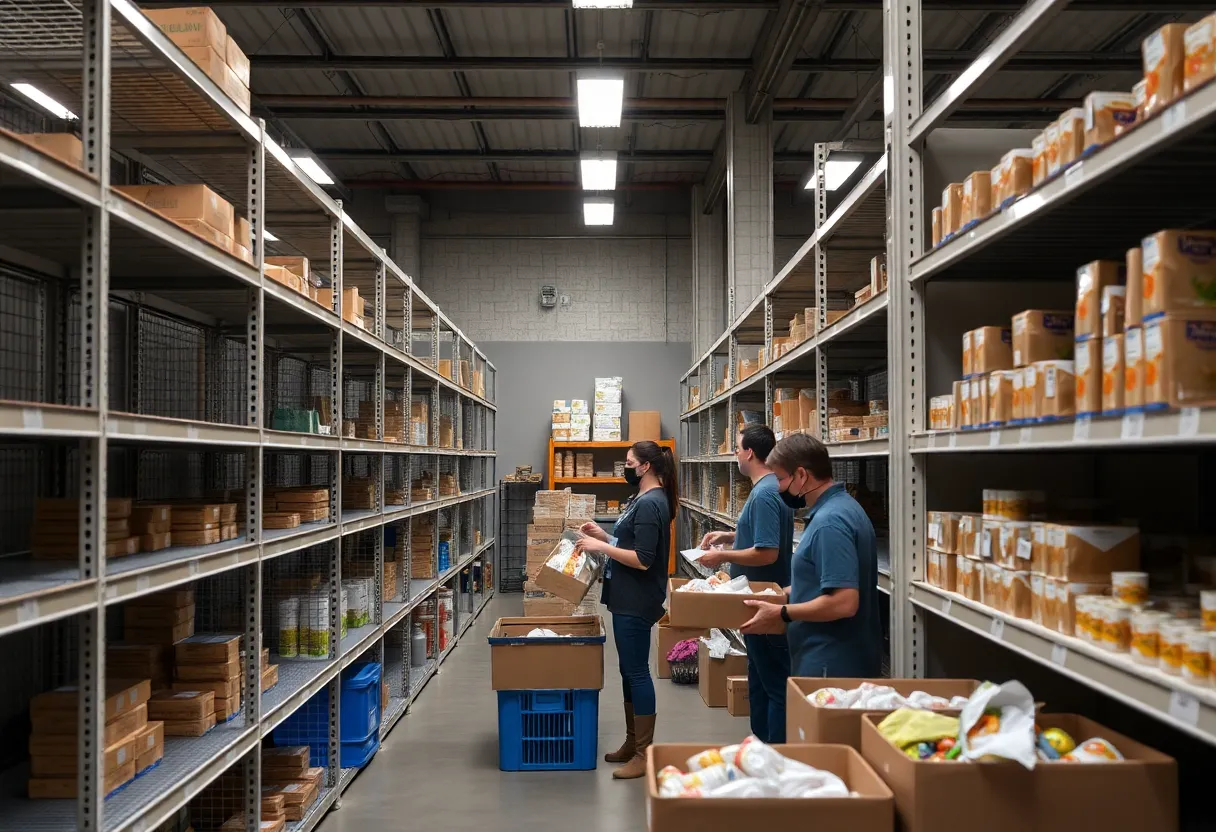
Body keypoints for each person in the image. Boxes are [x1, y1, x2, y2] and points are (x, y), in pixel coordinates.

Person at [739, 433, 882, 679]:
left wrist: (784, 612)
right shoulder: (841, 508)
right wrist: (781, 594)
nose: (778, 487)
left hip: (831, 662)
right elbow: (825, 580)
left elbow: (844, 602)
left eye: (781, 479)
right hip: (830, 657)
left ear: (802, 475)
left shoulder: (830, 523)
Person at [575, 440, 675, 779]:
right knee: (628, 671)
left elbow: (644, 560)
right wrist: (605, 535)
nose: (626, 467)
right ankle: (633, 743)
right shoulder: (644, 499)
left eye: (630, 462)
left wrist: (600, 545)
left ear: (645, 467)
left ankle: (645, 754)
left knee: (636, 672)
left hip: (637, 598)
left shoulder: (651, 503)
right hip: (627, 595)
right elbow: (632, 544)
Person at [696, 423, 793, 743]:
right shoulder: (767, 489)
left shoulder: (765, 494)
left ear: (750, 453)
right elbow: (763, 535)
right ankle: (762, 743)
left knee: (774, 684)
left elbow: (767, 553)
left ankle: (775, 751)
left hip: (765, 603)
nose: (735, 454)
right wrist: (730, 536)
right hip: (757, 600)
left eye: (737, 448)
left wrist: (719, 558)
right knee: (761, 678)